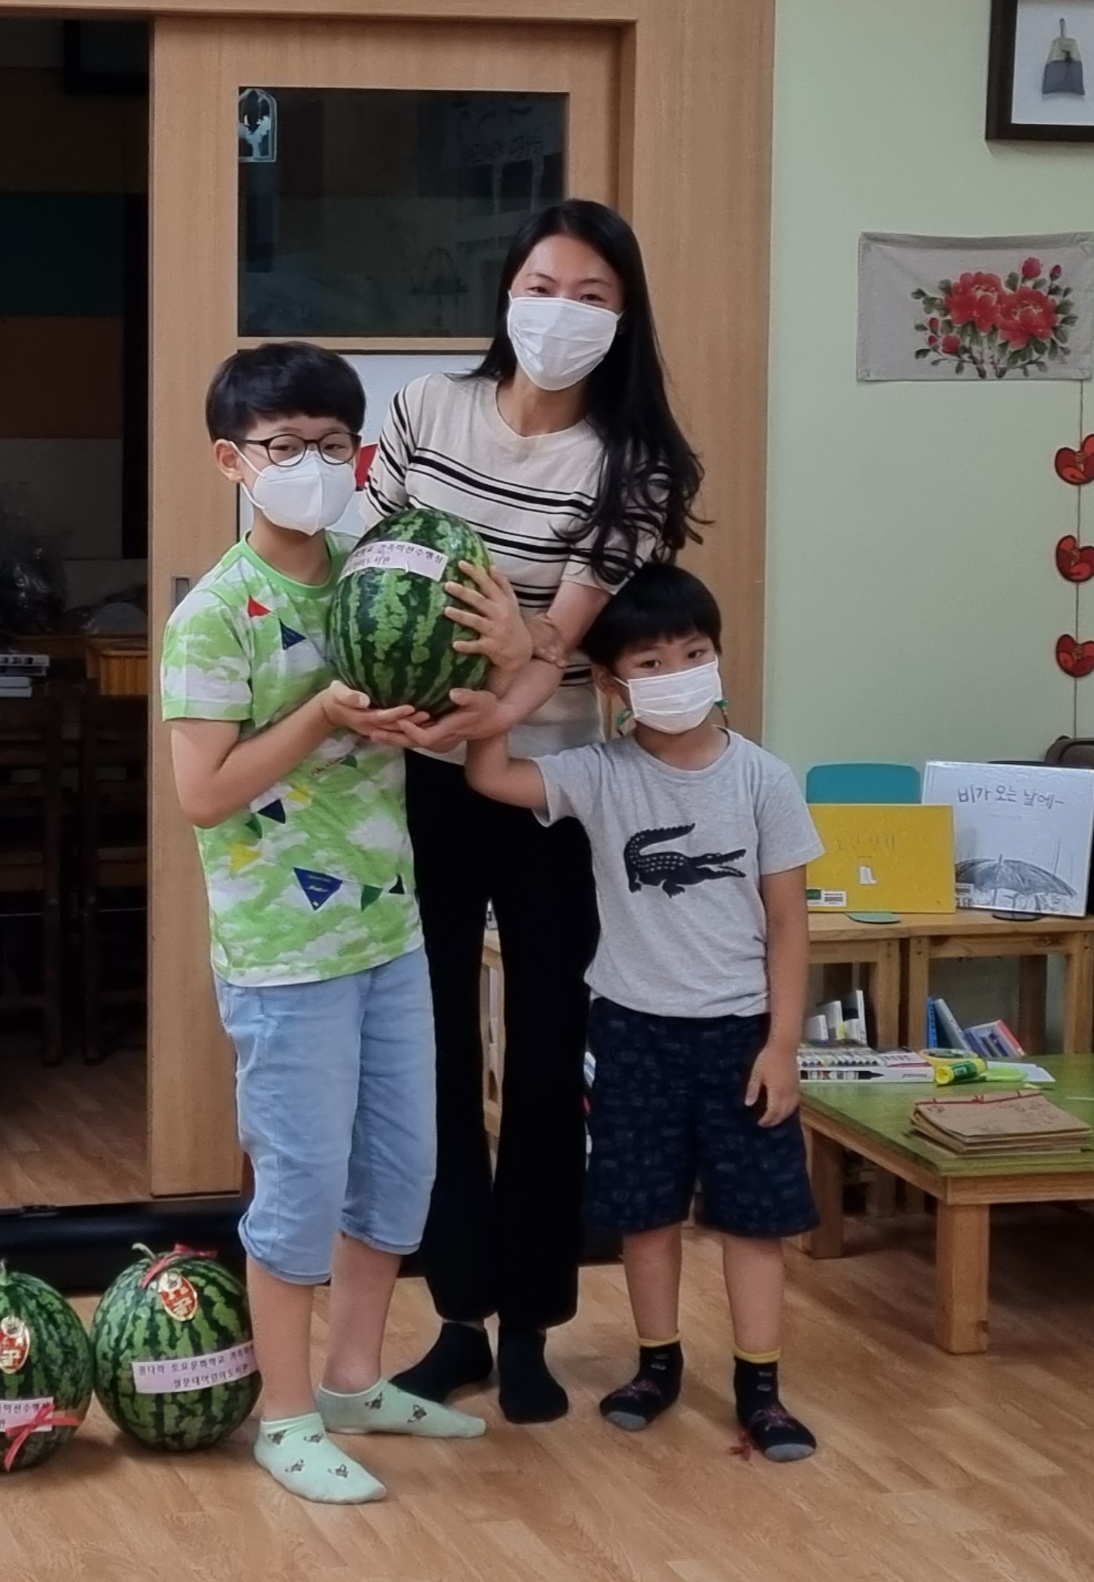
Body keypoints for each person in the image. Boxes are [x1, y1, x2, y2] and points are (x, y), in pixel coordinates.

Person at [160, 341, 530, 1504]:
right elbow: (201, 793)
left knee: (398, 1174)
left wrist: (500, 660)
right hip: (281, 953)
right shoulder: (214, 615)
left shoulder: (385, 569)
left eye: (331, 445)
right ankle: (282, 1417)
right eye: (283, 446)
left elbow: (464, 699)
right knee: (301, 1185)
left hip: (388, 931)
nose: (310, 466)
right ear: (230, 460)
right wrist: (321, 714)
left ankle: (354, 1380)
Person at [363, 199, 704, 1422]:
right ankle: (456, 1315)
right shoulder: (421, 410)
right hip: (414, 769)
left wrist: (492, 701)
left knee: (550, 1048)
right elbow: (374, 573)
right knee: (435, 1045)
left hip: (553, 786)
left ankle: (530, 1328)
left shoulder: (634, 463)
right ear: (505, 293)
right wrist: (407, 715)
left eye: (592, 296)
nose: (561, 313)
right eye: (542, 287)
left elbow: (555, 643)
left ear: (624, 316)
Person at [460, 563, 823, 1461]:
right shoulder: (598, 773)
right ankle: (656, 1363)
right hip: (632, 1030)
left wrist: (782, 1042)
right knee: (644, 1212)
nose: (679, 674)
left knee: (753, 1217)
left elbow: (788, 923)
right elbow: (489, 774)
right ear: (613, 684)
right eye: (651, 662)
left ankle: (760, 1385)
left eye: (694, 653)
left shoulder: (763, 780)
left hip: (740, 1033)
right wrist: (509, 675)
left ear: (719, 656)